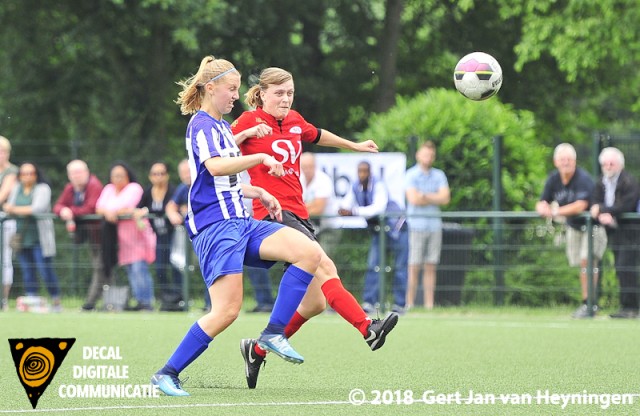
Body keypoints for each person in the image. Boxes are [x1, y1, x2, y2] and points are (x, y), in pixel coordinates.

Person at [151, 56, 324, 397]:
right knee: (226, 311)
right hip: (216, 228)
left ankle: (274, 333)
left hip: (240, 222)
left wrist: (257, 190)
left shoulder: (220, 128)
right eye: (231, 90)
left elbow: (223, 181)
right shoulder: (200, 125)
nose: (236, 96)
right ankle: (166, 373)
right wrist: (260, 158)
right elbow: (215, 168)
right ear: (210, 88)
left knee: (308, 252)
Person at [232, 67, 398, 390]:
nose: (285, 98)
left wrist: (355, 146)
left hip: (299, 213)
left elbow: (317, 134)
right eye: (278, 93)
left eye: (290, 92)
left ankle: (257, 349)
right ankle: (368, 328)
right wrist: (245, 137)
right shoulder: (249, 121)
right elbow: (220, 153)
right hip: (271, 213)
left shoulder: (293, 120)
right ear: (262, 93)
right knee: (324, 266)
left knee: (314, 303)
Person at [535, 143, 607, 318]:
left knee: (587, 262)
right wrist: (541, 208)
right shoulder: (554, 179)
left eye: (569, 159)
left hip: (592, 228)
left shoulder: (583, 179)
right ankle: (587, 304)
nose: (565, 163)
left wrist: (554, 211)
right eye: (562, 159)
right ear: (555, 162)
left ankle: (589, 305)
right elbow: (542, 200)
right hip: (574, 228)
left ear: (575, 161)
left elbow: (580, 206)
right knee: (580, 264)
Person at [338, 161, 409, 314]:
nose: (362, 174)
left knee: (400, 267)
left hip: (397, 227)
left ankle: (400, 305)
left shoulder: (378, 185)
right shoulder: (355, 186)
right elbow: (345, 204)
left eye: (365, 171)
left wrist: (353, 212)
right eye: (360, 171)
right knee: (373, 266)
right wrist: (344, 210)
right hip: (380, 231)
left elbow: (378, 208)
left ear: (370, 172)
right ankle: (370, 302)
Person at [96, 162, 156, 311]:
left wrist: (112, 212)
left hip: (137, 235)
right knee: (130, 269)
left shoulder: (134, 188)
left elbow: (127, 206)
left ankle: (146, 302)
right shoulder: (109, 189)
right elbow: (99, 207)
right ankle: (139, 300)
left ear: (128, 176)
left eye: (121, 175)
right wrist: (111, 212)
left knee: (139, 268)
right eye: (115, 176)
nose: (117, 179)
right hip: (122, 239)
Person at [3, 162, 61, 312]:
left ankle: (55, 300)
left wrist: (15, 209)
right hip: (23, 238)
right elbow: (7, 206)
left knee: (45, 270)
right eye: (24, 173)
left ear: (36, 175)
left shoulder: (42, 188)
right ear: (19, 176)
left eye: (31, 173)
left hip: (40, 238)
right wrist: (16, 209)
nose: (27, 176)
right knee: (27, 270)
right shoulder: (17, 188)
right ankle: (32, 301)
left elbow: (36, 208)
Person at [590, 147, 640, 319]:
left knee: (626, 267)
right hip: (614, 231)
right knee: (620, 266)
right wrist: (601, 212)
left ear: (620, 164)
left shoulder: (629, 181)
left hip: (631, 230)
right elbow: (594, 200)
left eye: (612, 163)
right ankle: (627, 305)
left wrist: (604, 210)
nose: (608, 166)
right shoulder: (601, 182)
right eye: (605, 163)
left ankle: (631, 307)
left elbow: (626, 205)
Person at [53, 160, 108, 311]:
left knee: (102, 267)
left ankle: (90, 303)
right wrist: (63, 211)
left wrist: (71, 212)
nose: (76, 176)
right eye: (73, 173)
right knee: (101, 268)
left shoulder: (94, 185)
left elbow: (91, 207)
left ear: (87, 172)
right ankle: (106, 302)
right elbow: (58, 205)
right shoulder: (70, 188)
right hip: (90, 236)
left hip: (103, 235)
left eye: (79, 172)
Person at [405, 141, 450, 310]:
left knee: (431, 266)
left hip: (434, 226)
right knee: (414, 266)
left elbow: (445, 198)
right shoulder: (410, 174)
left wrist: (425, 195)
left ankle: (429, 305)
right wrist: (433, 196)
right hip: (416, 226)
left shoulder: (439, 175)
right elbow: (414, 199)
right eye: (425, 154)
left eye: (431, 155)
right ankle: (409, 303)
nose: (428, 158)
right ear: (418, 155)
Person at [134, 162, 183, 311]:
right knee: (160, 268)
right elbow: (138, 207)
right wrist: (140, 213)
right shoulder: (148, 191)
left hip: (173, 235)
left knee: (176, 266)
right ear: (150, 176)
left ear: (167, 175)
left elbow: (179, 207)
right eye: (155, 174)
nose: (158, 177)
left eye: (161, 173)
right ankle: (166, 298)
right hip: (159, 236)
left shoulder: (173, 191)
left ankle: (178, 298)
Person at [166, 158, 210, 311]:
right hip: (191, 237)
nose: (186, 175)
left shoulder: (205, 183)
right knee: (180, 266)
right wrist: (173, 214)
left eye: (188, 171)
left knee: (209, 267)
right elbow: (171, 206)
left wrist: (189, 211)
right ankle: (182, 302)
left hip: (209, 234)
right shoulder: (183, 188)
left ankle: (210, 304)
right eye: (183, 173)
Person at [300, 152, 342, 260]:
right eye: (304, 167)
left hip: (328, 229)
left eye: (310, 166)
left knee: (321, 260)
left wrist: (301, 208)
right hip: (310, 229)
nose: (307, 170)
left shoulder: (323, 180)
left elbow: (318, 208)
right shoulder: (300, 180)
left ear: (315, 165)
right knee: (306, 260)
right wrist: (309, 206)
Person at [0, 136, 18, 311]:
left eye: (2, 150)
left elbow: (2, 196)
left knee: (5, 259)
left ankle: (3, 300)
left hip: (5, 222)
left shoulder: (12, 172)